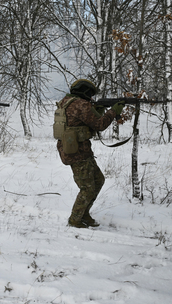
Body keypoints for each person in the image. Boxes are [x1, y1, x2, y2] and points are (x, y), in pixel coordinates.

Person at [55, 79, 125, 228]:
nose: (91, 99)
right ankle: (75, 220)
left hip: (77, 150)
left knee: (98, 180)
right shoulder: (80, 104)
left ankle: (84, 214)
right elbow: (99, 125)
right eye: (90, 95)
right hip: (77, 153)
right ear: (85, 92)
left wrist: (97, 110)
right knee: (87, 188)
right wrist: (113, 111)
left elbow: (84, 122)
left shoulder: (66, 101)